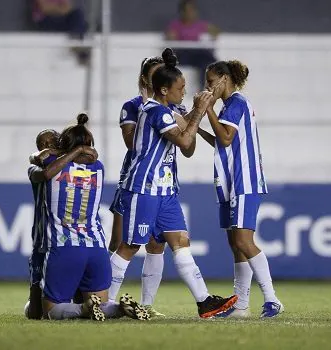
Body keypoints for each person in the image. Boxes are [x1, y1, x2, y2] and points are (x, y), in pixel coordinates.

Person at [108, 48, 238, 319]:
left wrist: (196, 114)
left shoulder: (168, 110)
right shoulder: (154, 111)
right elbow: (184, 141)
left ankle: (204, 301)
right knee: (129, 246)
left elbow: (187, 147)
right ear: (163, 89)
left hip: (166, 191)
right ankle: (102, 300)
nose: (184, 92)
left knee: (180, 240)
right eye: (180, 88)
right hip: (144, 188)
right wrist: (200, 110)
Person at [38, 114, 150, 321]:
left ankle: (82, 309)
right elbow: (88, 156)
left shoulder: (53, 162)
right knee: (102, 303)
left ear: (64, 146)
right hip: (97, 249)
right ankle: (119, 308)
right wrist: (82, 149)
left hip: (65, 247)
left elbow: (40, 157)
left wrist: (70, 150)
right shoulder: (98, 168)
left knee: (51, 311)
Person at [199, 60, 284, 318]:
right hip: (230, 183)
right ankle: (241, 304)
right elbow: (223, 143)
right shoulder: (229, 107)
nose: (208, 87)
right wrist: (197, 130)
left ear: (225, 79)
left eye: (211, 82)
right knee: (234, 244)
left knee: (243, 241)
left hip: (245, 181)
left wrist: (207, 110)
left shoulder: (236, 103)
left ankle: (272, 299)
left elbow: (226, 137)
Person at [108, 56, 188, 317]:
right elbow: (133, 144)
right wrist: (156, 115)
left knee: (156, 245)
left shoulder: (173, 107)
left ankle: (147, 305)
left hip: (163, 184)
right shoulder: (133, 107)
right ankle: (100, 298)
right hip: (134, 181)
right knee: (120, 241)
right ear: (147, 80)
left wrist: (173, 116)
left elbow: (187, 144)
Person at [24, 128, 93, 319]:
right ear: (43, 147)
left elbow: (92, 155)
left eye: (56, 139)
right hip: (42, 239)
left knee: (81, 290)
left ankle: (82, 307)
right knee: (36, 312)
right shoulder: (35, 169)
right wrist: (71, 151)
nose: (55, 142)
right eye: (50, 141)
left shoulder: (70, 164)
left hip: (66, 237)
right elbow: (39, 165)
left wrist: (72, 152)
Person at [166, 0, 220, 88]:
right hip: (183, 54)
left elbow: (215, 32)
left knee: (207, 62)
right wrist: (172, 37)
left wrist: (211, 37)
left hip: (199, 53)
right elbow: (171, 39)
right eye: (186, 10)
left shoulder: (201, 24)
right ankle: (205, 89)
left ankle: (208, 88)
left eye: (192, 10)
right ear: (182, 12)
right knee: (205, 59)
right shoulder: (176, 25)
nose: (189, 13)